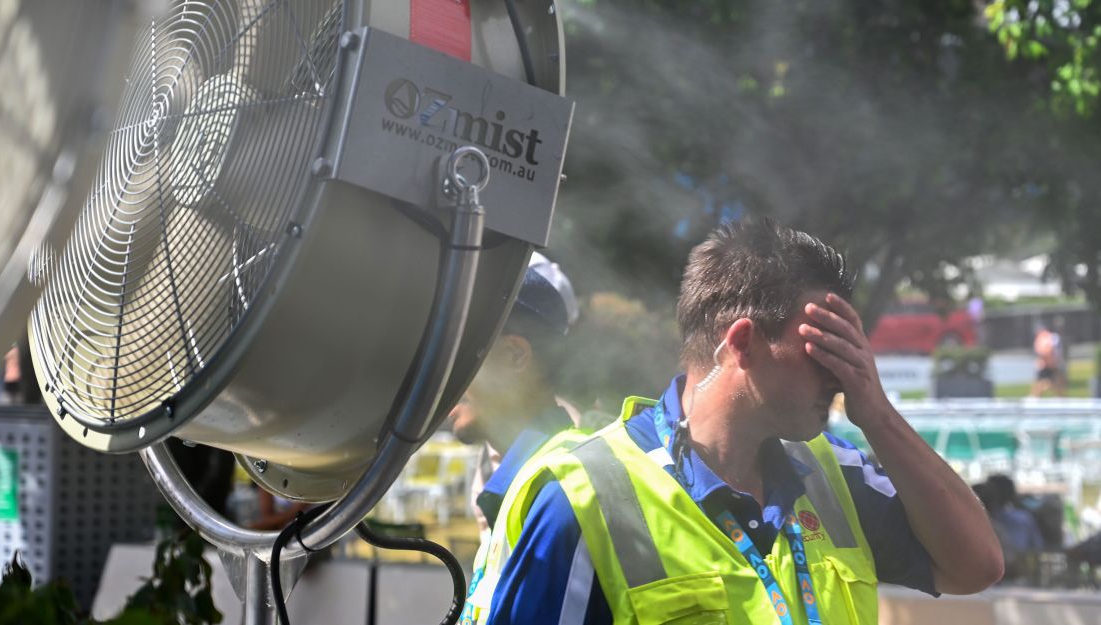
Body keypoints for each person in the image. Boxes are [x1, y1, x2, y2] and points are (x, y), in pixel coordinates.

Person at [484, 219, 1003, 624]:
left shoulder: (835, 476)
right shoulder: (586, 497)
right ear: (743, 343)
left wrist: (880, 417)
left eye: (853, 354)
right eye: (824, 351)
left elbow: (976, 566)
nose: (844, 378)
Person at [449, 252, 587, 625]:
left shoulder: (560, 494)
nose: (442, 377)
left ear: (514, 355)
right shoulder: (521, 482)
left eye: (457, 354)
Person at [1031, 321, 1066, 397]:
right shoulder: (1052, 337)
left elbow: (1042, 352)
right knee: (1055, 385)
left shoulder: (1043, 337)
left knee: (1042, 386)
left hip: (1045, 365)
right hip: (1051, 364)